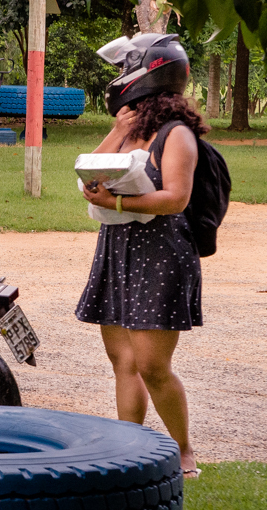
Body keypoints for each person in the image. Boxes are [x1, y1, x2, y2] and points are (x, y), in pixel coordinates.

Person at [76, 32, 207, 479]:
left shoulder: (177, 136)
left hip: (161, 252)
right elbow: (85, 175)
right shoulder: (130, 129)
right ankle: (125, 445)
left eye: (123, 70)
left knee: (152, 364)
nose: (118, 80)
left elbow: (175, 199)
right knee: (123, 361)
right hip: (119, 247)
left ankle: (183, 451)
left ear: (145, 74)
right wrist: (115, 132)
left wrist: (115, 204)